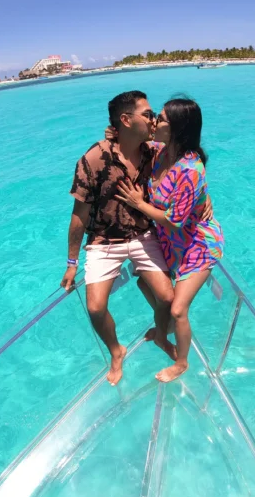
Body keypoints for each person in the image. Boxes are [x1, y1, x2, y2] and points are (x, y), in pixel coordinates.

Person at [61, 91, 176, 385]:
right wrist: (72, 262)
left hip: (143, 233)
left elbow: (188, 158)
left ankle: (160, 334)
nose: (153, 120)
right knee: (96, 308)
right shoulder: (94, 159)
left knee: (167, 297)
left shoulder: (153, 151)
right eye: (148, 115)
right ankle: (116, 351)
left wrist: (206, 196)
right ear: (126, 120)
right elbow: (79, 215)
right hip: (103, 241)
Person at [116, 98, 224, 383]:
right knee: (143, 282)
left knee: (177, 309)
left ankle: (182, 362)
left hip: (197, 245)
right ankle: (165, 329)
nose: (154, 122)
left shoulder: (189, 169)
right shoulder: (161, 151)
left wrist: (138, 203)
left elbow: (175, 220)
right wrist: (112, 131)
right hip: (170, 242)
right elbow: (133, 140)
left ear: (177, 129)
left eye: (160, 118)